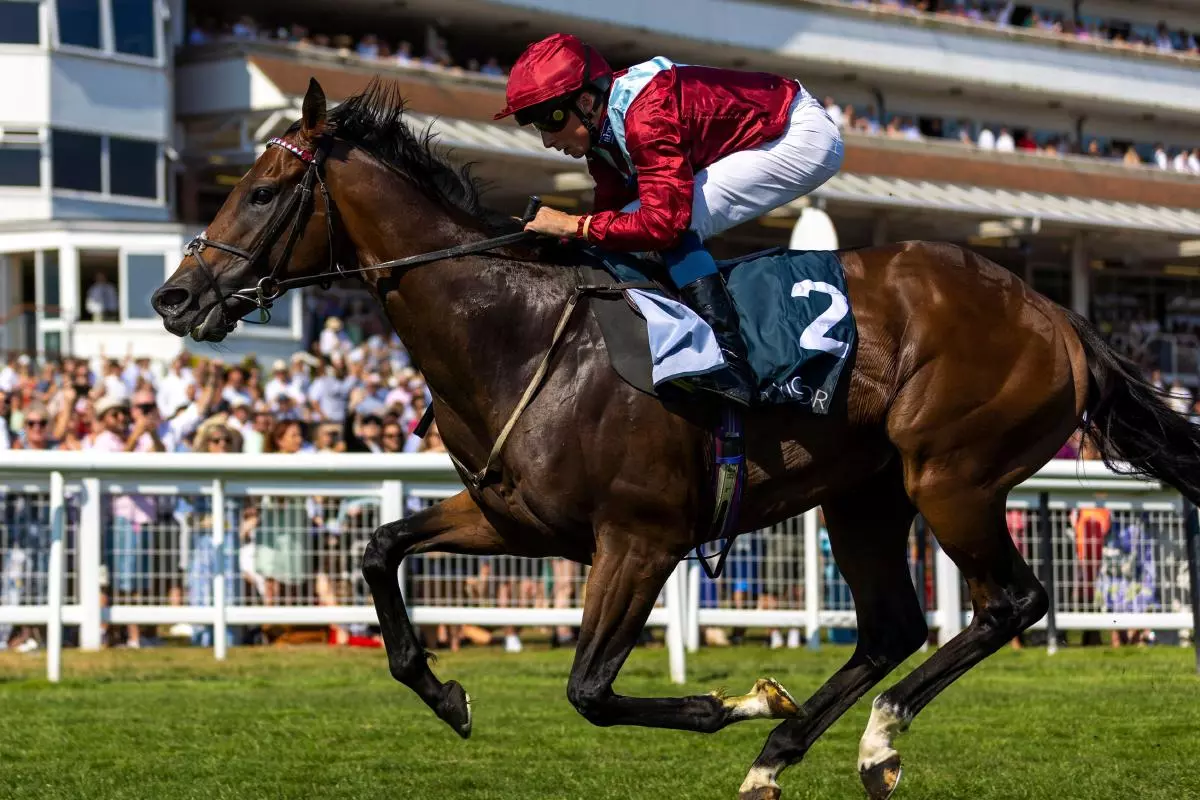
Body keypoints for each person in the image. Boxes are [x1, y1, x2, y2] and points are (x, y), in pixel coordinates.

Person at [497, 33, 844, 406]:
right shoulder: (603, 134)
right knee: (627, 226)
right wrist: (560, 237)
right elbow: (610, 215)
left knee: (670, 226)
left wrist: (574, 226)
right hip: (769, 124)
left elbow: (664, 224)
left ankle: (729, 364)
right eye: (537, 127)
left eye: (551, 121)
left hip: (798, 134)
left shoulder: (646, 115)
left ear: (585, 100)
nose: (548, 140)